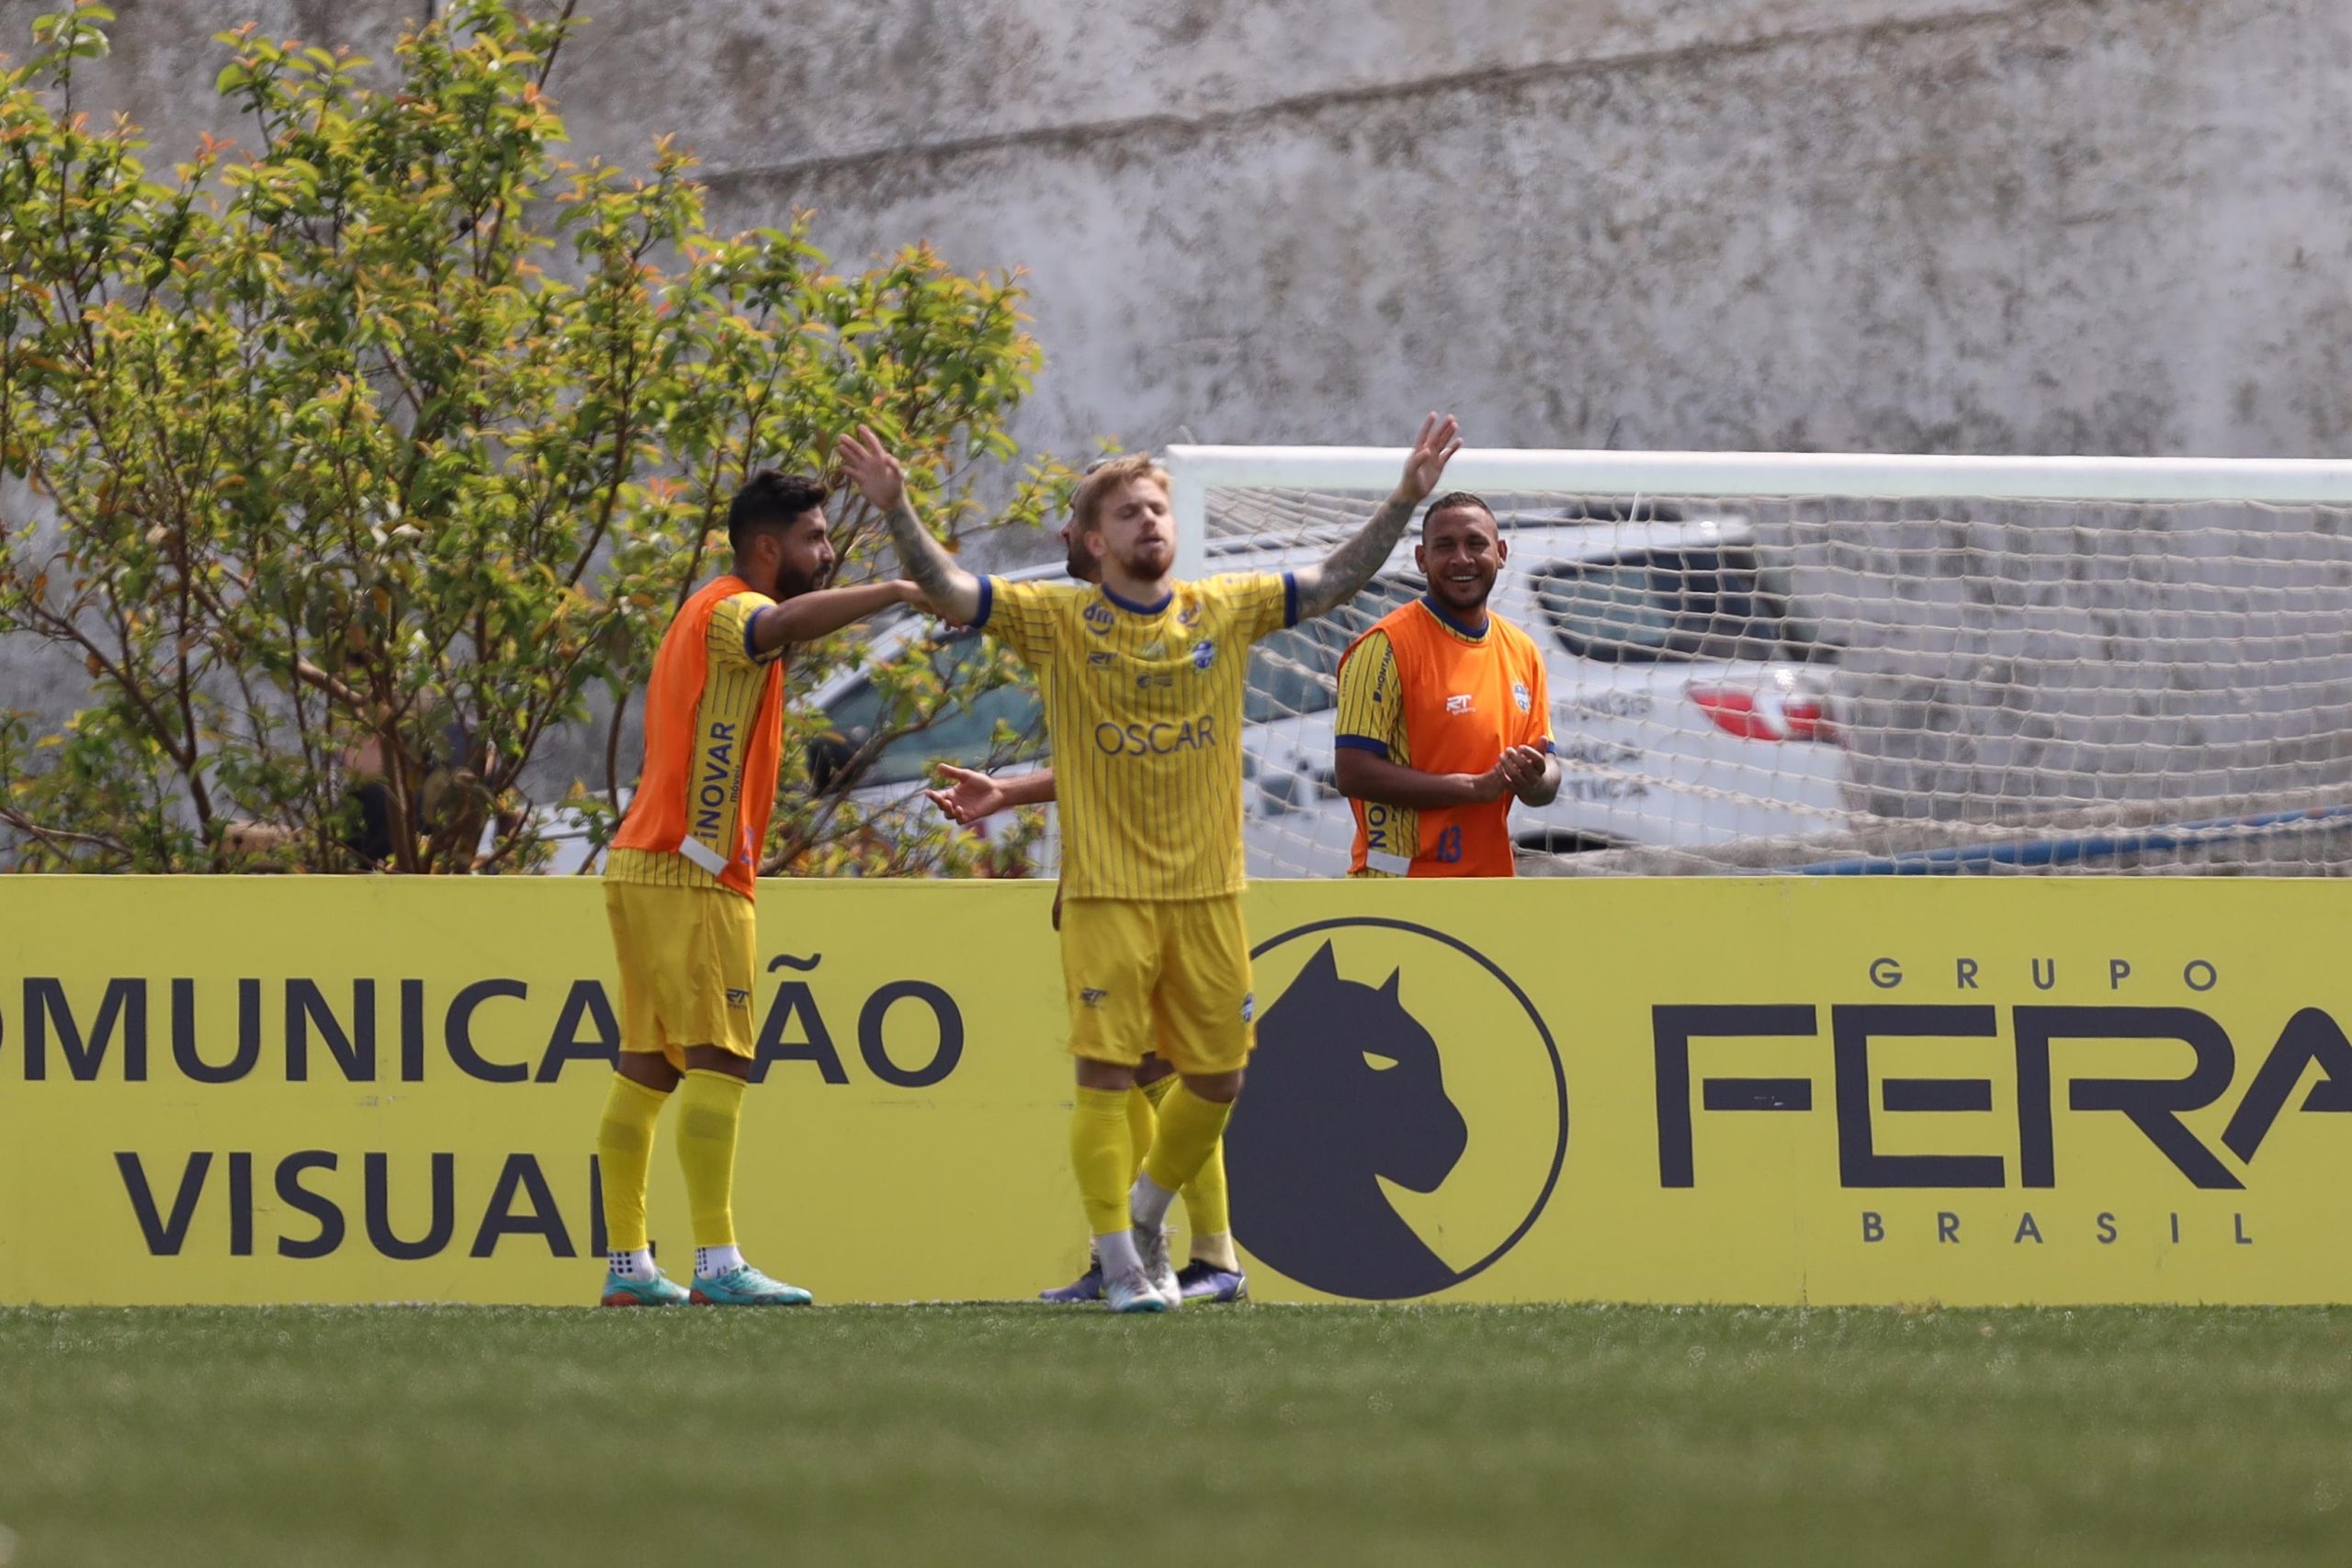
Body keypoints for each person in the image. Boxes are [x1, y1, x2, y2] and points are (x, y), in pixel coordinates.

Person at [843, 413, 1464, 1313]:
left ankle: (1146, 1221)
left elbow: (1332, 581)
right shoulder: (1056, 620)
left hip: (1209, 896)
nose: (1148, 522)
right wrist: (898, 508)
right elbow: (946, 589)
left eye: (1155, 508)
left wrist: (1405, 499)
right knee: (1107, 1076)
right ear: (1095, 540)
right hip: (1107, 897)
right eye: (1127, 512)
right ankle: (1127, 1269)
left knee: (1218, 1080)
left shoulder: (1224, 608)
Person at [595, 469, 928, 1308]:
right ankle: (717, 1264)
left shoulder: (704, 609)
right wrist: (894, 587)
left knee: (645, 1069)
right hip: (695, 871)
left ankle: (629, 1266)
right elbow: (778, 621)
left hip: (644, 861)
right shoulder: (735, 609)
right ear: (767, 546)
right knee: (720, 1060)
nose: (827, 551)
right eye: (816, 538)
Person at [922, 500, 1246, 1306]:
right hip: (1114, 880)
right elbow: (1108, 759)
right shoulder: (1081, 625)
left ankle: (1173, 1252)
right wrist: (1012, 791)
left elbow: (1142, 757)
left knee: (1161, 1071)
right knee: (1147, 1070)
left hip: (1157, 888)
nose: (1063, 535)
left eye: (1075, 521)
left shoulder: (1152, 624)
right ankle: (1178, 1254)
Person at [1333, 491, 1561, 875]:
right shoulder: (1384, 646)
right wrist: (1473, 788)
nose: (1461, 559)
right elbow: (1352, 772)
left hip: (1488, 885)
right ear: (1423, 559)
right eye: (1444, 546)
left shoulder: (1523, 651)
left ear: (1501, 552)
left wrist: (1537, 780)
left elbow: (1548, 768)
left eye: (1476, 543)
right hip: (1399, 885)